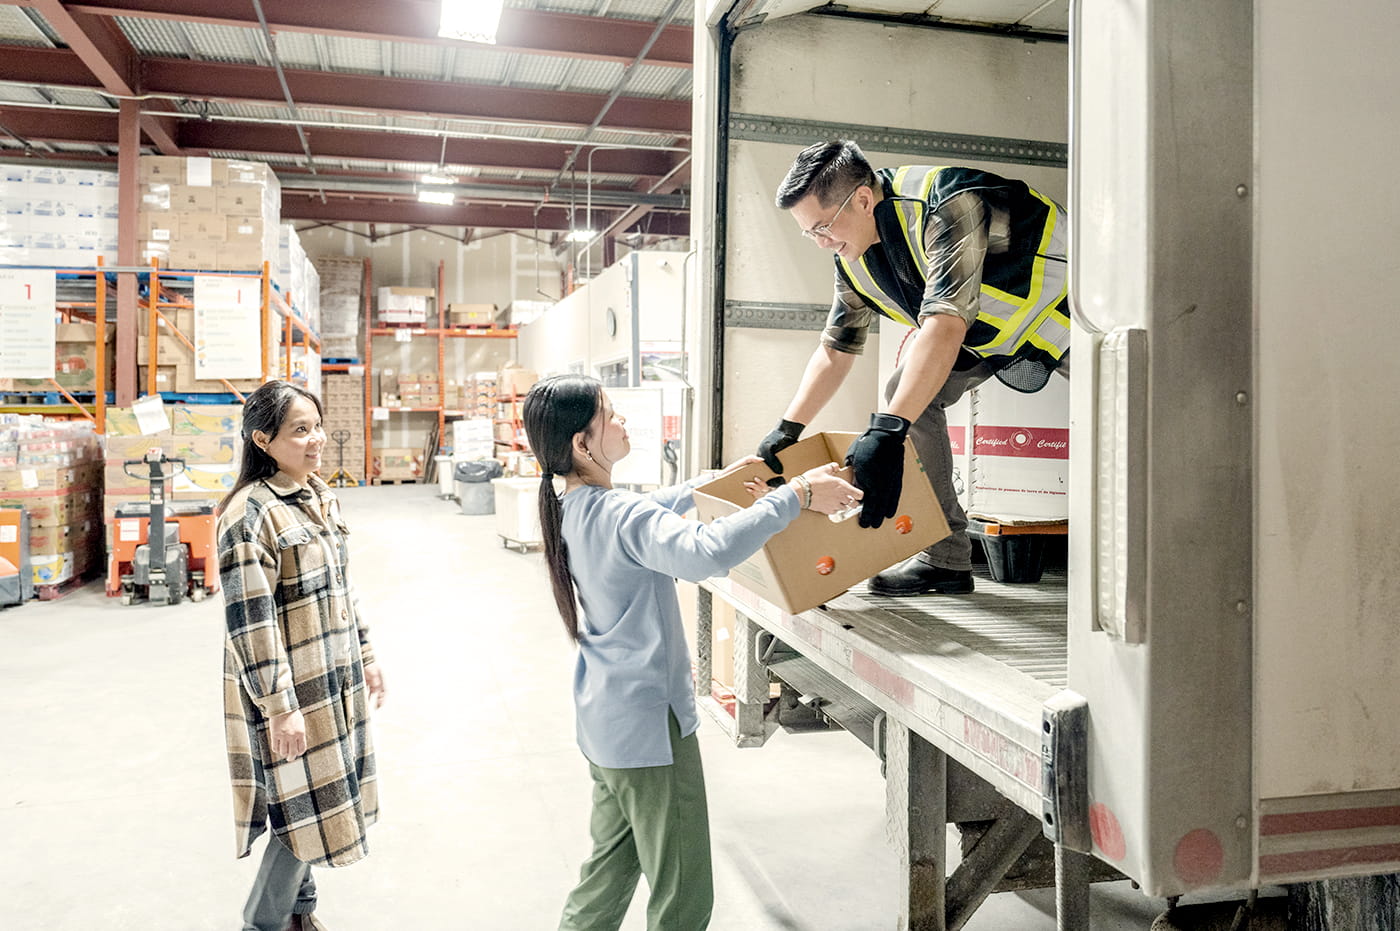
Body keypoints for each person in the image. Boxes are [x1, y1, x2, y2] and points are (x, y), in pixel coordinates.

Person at [524, 375, 860, 931]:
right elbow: (705, 553)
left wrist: (719, 480)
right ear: (583, 445)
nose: (623, 421)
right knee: (684, 896)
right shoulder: (621, 518)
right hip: (651, 730)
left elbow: (651, 508)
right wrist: (795, 496)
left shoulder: (573, 508)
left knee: (606, 875)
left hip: (606, 726)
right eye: (611, 415)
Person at [758, 140, 1071, 596]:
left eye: (823, 227)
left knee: (1141, 418)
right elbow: (837, 347)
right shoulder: (852, 255)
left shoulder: (947, 202)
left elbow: (944, 323)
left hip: (1076, 315)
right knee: (907, 392)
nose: (821, 242)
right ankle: (946, 560)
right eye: (810, 234)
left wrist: (887, 432)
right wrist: (787, 429)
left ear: (863, 199)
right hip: (994, 333)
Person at [217, 380, 387, 931]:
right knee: (305, 810)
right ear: (262, 439)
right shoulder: (249, 516)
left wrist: (365, 652)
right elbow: (251, 620)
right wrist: (279, 706)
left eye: (316, 427)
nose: (315, 441)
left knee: (314, 799)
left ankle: (298, 916)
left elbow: (344, 586)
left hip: (331, 674)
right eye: (300, 430)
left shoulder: (317, 495)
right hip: (290, 688)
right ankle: (261, 924)